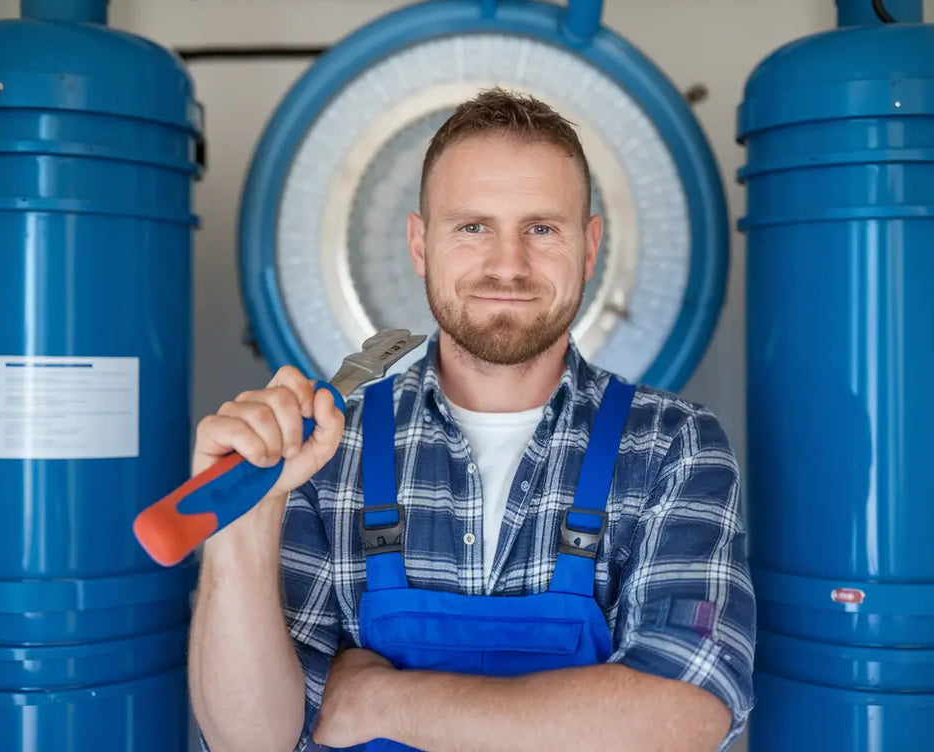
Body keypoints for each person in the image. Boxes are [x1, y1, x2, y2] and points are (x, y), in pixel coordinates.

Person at [188, 87, 756, 752]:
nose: (507, 265)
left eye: (541, 229)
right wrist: (240, 527)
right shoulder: (330, 450)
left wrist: (383, 697)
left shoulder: (672, 448)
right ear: (421, 243)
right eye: (472, 227)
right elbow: (248, 740)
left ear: (590, 244)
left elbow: (680, 720)